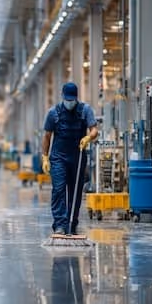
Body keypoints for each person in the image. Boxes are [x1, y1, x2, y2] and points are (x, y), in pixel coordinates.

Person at [42, 82, 98, 235]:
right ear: (62, 97)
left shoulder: (85, 110)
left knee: (75, 192)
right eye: (67, 99)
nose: (70, 102)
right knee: (59, 190)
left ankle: (72, 223)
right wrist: (45, 157)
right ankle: (60, 224)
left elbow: (94, 130)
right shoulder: (53, 113)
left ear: (76, 98)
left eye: (72, 99)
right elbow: (47, 136)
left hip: (77, 156)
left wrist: (88, 137)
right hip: (58, 158)